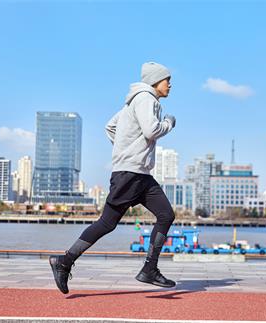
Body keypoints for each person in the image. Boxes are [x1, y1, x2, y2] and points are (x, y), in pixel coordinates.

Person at [49, 62, 177, 294]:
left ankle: (149, 269)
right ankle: (64, 261)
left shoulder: (133, 102)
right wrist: (169, 123)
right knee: (107, 223)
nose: (170, 84)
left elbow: (110, 127)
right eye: (167, 79)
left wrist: (124, 147)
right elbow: (151, 130)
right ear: (155, 81)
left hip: (140, 174)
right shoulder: (146, 99)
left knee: (166, 214)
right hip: (130, 174)